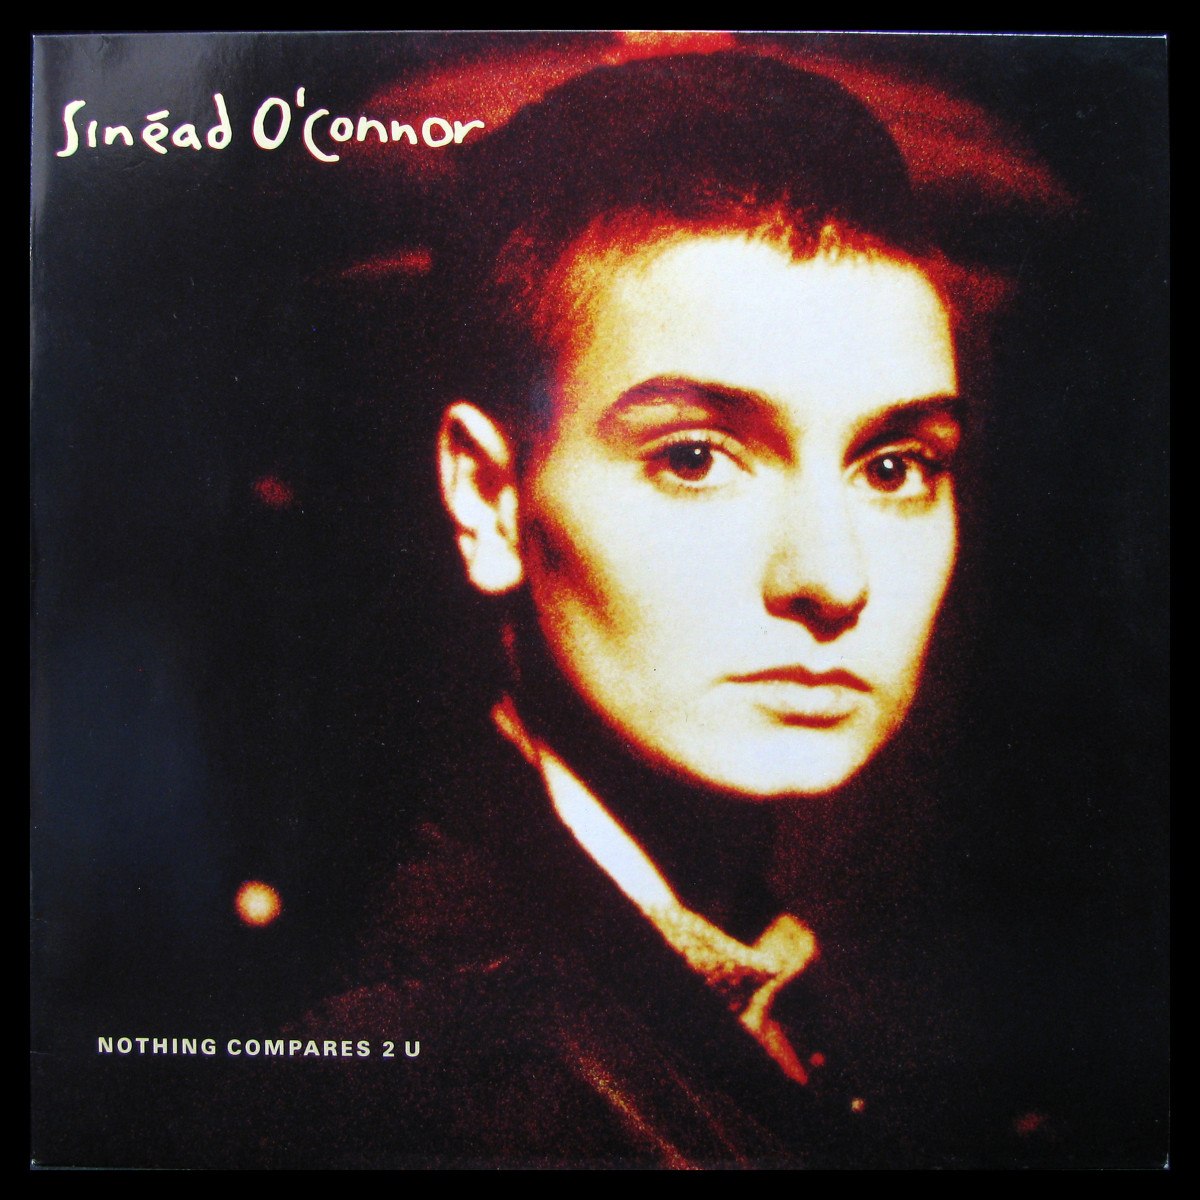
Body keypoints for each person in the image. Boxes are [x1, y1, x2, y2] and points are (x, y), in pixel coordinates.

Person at [251, 52, 1097, 1169]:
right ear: (490, 498)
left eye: (895, 466)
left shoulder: (788, 976)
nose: (830, 576)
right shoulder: (450, 1092)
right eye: (694, 457)